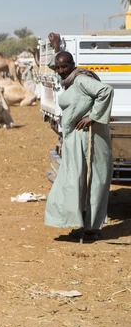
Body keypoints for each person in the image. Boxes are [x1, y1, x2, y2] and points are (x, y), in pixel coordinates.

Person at [44, 51, 114, 242]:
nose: (60, 71)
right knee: (78, 182)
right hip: (77, 141)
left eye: (64, 67)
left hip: (89, 140)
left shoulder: (81, 80)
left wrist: (93, 116)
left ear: (73, 65)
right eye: (58, 67)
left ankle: (91, 229)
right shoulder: (71, 81)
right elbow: (54, 62)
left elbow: (106, 90)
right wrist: (57, 47)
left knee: (93, 181)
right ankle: (84, 225)